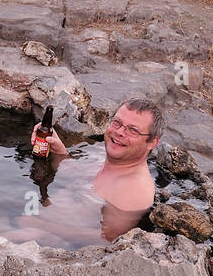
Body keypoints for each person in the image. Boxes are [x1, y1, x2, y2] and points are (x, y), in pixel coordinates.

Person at [32, 97, 163, 242]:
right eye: (117, 122)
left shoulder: (133, 189)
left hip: (53, 238)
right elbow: (77, 176)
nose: (119, 132)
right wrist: (59, 151)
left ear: (152, 142)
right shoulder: (105, 155)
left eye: (132, 130)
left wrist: (40, 226)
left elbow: (105, 239)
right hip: (45, 217)